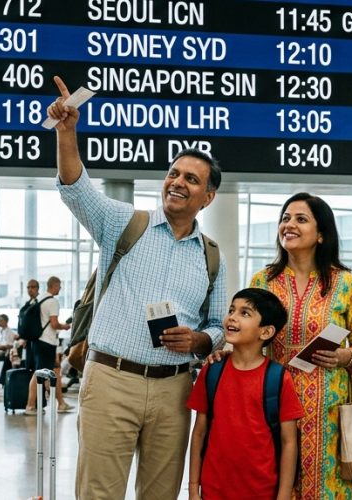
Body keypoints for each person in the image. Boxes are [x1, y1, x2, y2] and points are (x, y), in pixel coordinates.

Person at [49, 75, 228, 500]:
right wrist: (68, 132)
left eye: (191, 179)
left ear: (208, 197)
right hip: (112, 379)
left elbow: (218, 323)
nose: (177, 182)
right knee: (99, 493)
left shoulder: (211, 255)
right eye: (173, 173)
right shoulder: (124, 223)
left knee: (161, 493)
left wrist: (201, 338)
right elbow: (76, 190)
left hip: (174, 387)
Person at [249, 192, 352, 499]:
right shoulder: (263, 282)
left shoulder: (346, 284)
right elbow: (249, 341)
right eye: (285, 218)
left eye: (300, 219)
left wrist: (347, 355)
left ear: (321, 234)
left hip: (331, 415)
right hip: (274, 406)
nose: (288, 225)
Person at [187, 288, 303, 500]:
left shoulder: (278, 378)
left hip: (262, 492)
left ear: (266, 332)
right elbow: (199, 433)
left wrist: (284, 495)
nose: (232, 316)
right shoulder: (212, 370)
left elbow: (289, 442)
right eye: (232, 310)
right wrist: (193, 489)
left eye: (245, 313)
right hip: (213, 491)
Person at [25, 277, 73, 416]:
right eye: (59, 286)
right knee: (38, 373)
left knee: (56, 372)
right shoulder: (52, 302)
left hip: (38, 342)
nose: (60, 289)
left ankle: (61, 404)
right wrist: (64, 326)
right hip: (46, 343)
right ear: (55, 285)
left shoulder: (39, 300)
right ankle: (30, 406)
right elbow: (53, 324)